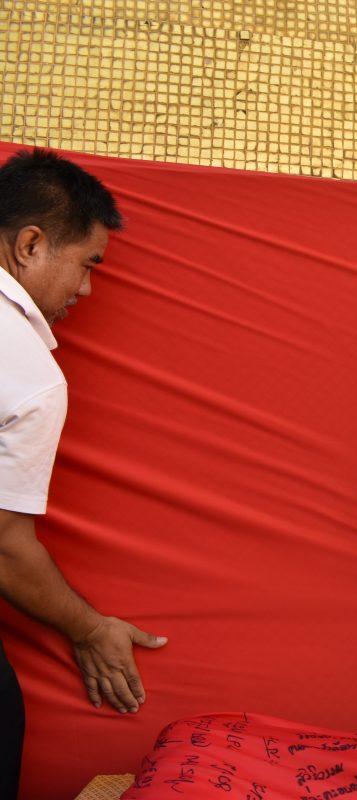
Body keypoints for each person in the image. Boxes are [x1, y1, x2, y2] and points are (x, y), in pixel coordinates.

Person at [0, 149, 168, 798]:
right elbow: (6, 548)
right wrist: (91, 629)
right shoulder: (32, 377)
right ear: (31, 245)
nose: (87, 289)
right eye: (88, 265)